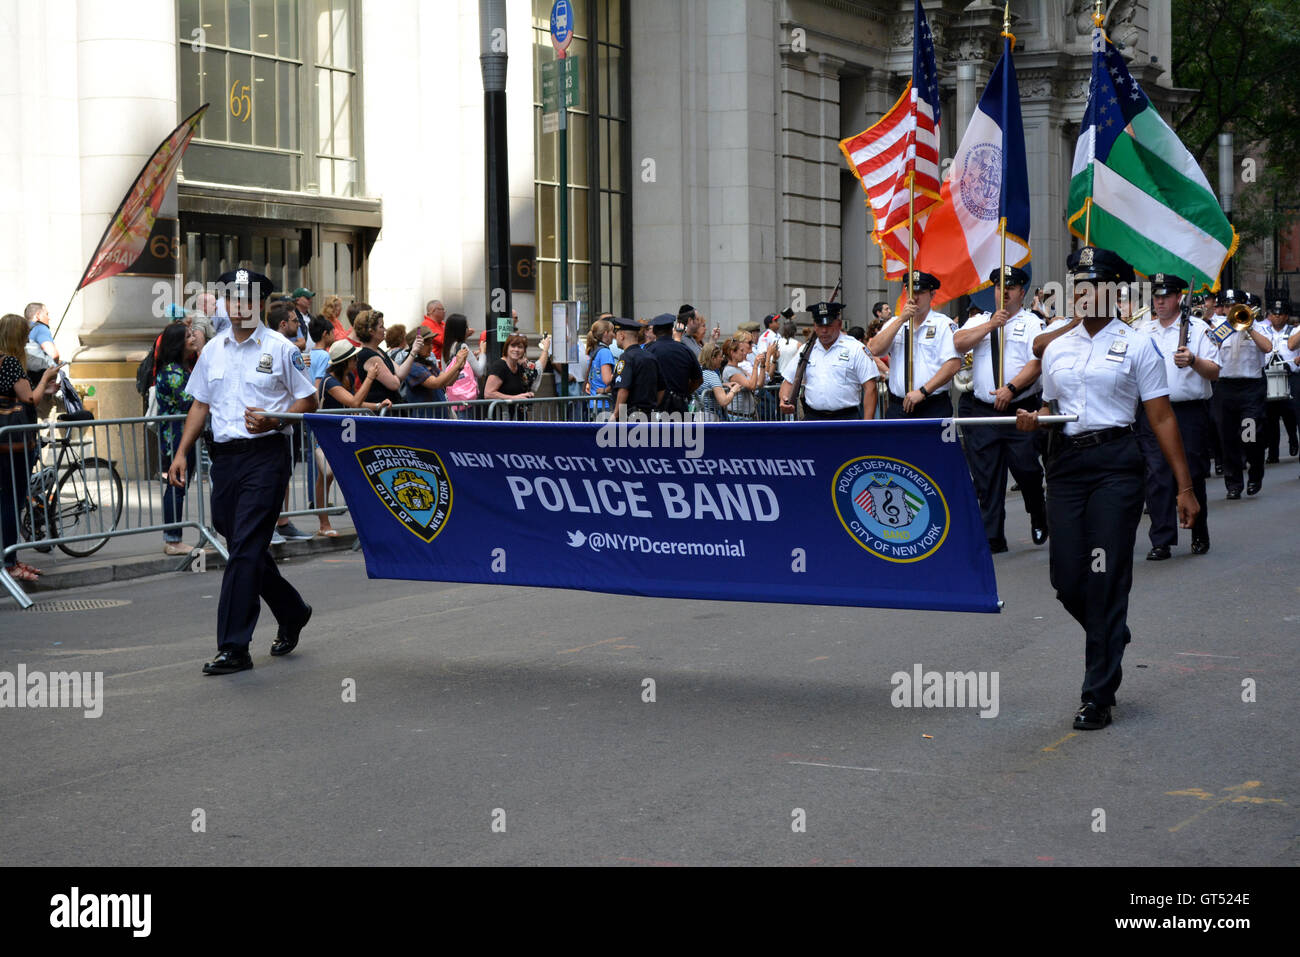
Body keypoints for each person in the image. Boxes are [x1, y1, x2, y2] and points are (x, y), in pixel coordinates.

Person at [1015, 246, 1198, 731]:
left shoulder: (1139, 344)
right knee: (1066, 578)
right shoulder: (1056, 347)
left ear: (1117, 291)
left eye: (1094, 285)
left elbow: (1159, 415)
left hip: (1117, 463)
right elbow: (1052, 406)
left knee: (1108, 574)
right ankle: (1111, 632)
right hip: (1066, 463)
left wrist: (1184, 487)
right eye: (1077, 285)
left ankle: (1097, 694)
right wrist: (1035, 421)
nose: (1083, 293)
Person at [167, 269, 316, 676]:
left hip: (266, 456)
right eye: (232, 299)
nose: (239, 307)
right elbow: (200, 403)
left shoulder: (280, 348)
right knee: (242, 545)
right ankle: (292, 609)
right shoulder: (213, 349)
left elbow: (309, 399)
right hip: (225, 459)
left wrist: (276, 420)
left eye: (247, 299)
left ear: (262, 304)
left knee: (246, 548)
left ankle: (234, 646)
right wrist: (182, 453)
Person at [952, 266, 1049, 552]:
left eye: (1010, 288)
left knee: (1027, 470)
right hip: (983, 411)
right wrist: (991, 326)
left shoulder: (1031, 322)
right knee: (987, 475)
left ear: (1022, 292)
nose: (1003, 292)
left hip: (1020, 408)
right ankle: (992, 535)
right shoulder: (980, 321)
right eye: (998, 287)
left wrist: (1012, 389)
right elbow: (957, 343)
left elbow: (1037, 362)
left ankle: (1038, 512)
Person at [1137, 273, 1219, 559]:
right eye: (1156, 297)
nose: (1159, 302)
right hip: (1153, 411)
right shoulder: (1143, 331)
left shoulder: (1198, 329)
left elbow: (1215, 371)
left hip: (1188, 411)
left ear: (1179, 298)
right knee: (1157, 475)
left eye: (1165, 296)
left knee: (1193, 474)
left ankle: (1198, 531)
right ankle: (1161, 539)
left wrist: (1193, 361)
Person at [2, 313, 59, 583]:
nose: (27, 338)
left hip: (5, 442)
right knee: (12, 502)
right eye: (24, 334)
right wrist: (47, 374)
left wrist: (42, 390)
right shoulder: (11, 362)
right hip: (13, 446)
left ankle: (9, 558)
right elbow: (29, 399)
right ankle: (9, 561)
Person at [868, 270, 961, 418]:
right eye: (911, 291)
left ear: (932, 295)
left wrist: (923, 391)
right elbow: (874, 349)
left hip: (932, 405)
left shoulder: (943, 324)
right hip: (898, 406)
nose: (915, 296)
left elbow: (953, 364)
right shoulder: (895, 323)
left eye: (921, 291)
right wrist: (901, 320)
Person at [1212, 288, 1271, 498]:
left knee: (1249, 435)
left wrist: (1249, 327)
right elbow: (1210, 347)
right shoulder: (1219, 327)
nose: (1230, 309)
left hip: (1251, 389)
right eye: (1227, 306)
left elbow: (1268, 347)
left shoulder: (1259, 325)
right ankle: (1234, 484)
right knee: (1227, 438)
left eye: (1234, 305)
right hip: (1226, 387)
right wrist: (1229, 327)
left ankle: (1255, 474)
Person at [777, 300, 878, 420]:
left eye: (828, 325)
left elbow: (870, 388)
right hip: (813, 418)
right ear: (814, 326)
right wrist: (784, 398)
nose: (824, 330)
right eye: (820, 326)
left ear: (839, 324)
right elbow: (788, 380)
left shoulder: (855, 348)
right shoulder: (806, 350)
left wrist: (866, 426)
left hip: (846, 419)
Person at [153, 323, 200, 556]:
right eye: (188, 336)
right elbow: (190, 402)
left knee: (179, 485)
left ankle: (174, 538)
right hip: (175, 435)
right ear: (177, 343)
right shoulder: (172, 372)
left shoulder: (183, 368)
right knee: (176, 485)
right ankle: (173, 540)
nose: (193, 338)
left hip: (183, 434)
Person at [353, 309, 415, 409]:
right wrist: (395, 377)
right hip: (381, 410)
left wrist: (414, 352)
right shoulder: (368, 355)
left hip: (390, 407)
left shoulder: (379, 350)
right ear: (371, 331)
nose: (385, 329)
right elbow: (394, 384)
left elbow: (400, 373)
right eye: (381, 326)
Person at [1260, 299, 1297, 462]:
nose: (1276, 317)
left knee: (1291, 413)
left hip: (1291, 376)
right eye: (1273, 314)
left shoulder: (1294, 331)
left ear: (1286, 316)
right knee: (1271, 416)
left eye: (1280, 314)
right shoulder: (1263, 330)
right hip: (1269, 376)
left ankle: (1293, 439)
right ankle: (1273, 453)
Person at [645, 313, 703, 416]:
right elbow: (698, 380)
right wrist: (685, 391)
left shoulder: (648, 351)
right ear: (672, 329)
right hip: (680, 408)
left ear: (654, 331)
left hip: (656, 408)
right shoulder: (685, 350)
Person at [609, 317, 663, 420]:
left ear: (621, 335)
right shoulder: (650, 356)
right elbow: (661, 389)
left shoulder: (626, 358)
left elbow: (623, 389)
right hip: (649, 416)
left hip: (631, 417)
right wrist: (653, 407)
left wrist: (615, 414)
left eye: (616, 335)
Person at [693, 341, 743, 420]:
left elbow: (705, 385)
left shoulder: (698, 371)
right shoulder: (712, 375)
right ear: (713, 358)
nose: (722, 359)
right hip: (710, 418)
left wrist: (722, 385)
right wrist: (733, 390)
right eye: (720, 356)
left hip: (697, 416)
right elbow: (723, 401)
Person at [721, 335, 766, 421]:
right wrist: (756, 365)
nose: (744, 353)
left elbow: (759, 383)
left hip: (746, 416)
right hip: (738, 417)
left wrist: (763, 365)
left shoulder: (739, 369)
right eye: (741, 351)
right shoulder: (730, 370)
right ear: (732, 353)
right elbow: (752, 386)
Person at [584, 318, 616, 415]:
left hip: (595, 403)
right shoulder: (605, 352)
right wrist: (621, 373)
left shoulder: (595, 350)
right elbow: (607, 379)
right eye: (612, 331)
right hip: (604, 405)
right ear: (606, 333)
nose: (614, 335)